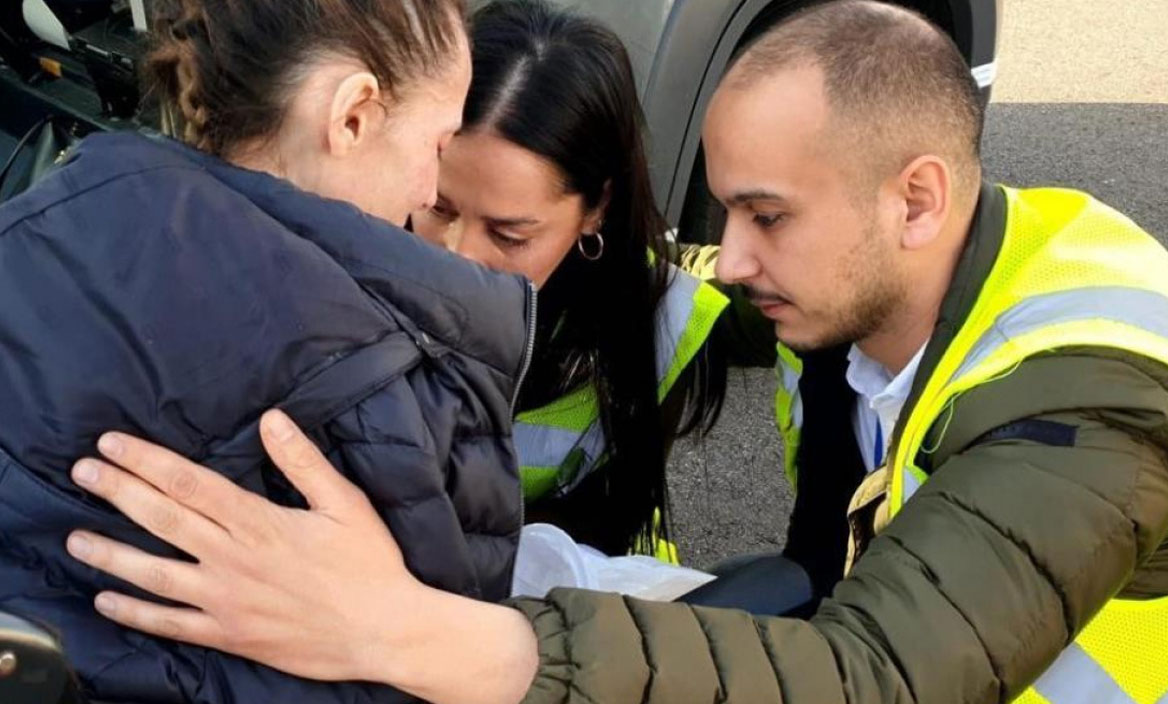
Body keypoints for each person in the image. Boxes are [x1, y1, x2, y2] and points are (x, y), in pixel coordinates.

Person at [59, 1, 1168, 702]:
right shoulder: (851, 297)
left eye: (765, 216)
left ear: (914, 200)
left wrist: (430, 633)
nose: (725, 260)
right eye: (431, 206)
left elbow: (870, 671)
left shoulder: (1081, 397)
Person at [0, 0, 537, 702]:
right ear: (353, 116)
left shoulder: (5, 246)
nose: (428, 193)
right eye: (437, 146)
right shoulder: (403, 381)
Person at [409, 0, 727, 558]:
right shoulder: (348, 256)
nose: (458, 257)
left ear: (596, 208)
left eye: (509, 235)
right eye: (438, 208)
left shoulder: (658, 329)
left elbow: (606, 535)